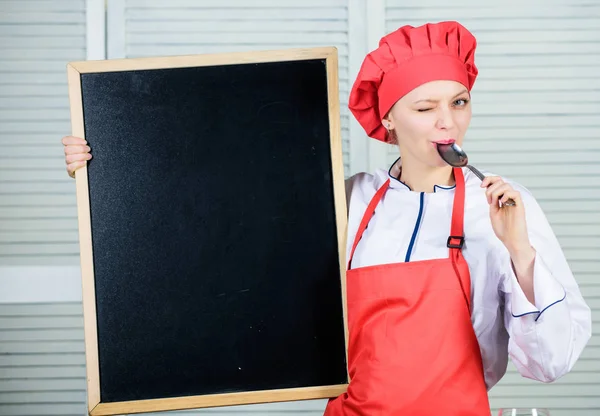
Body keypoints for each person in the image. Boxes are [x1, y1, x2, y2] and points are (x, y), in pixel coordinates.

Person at [62, 21, 591, 416]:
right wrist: (107, 163)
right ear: (388, 117)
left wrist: (521, 253)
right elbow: (210, 223)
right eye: (425, 108)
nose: (448, 122)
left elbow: (551, 364)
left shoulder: (503, 206)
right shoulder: (350, 202)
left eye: (459, 102)